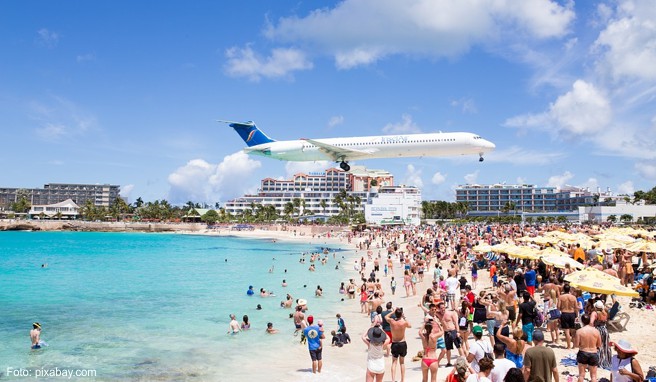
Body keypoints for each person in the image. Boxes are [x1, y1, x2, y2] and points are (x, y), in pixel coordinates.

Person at [385, 307, 412, 382]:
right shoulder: (404, 322)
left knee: (394, 362)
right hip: (402, 343)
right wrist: (404, 317)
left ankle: (393, 380)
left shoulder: (392, 321)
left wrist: (392, 312)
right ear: (401, 314)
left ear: (395, 314)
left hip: (394, 343)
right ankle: (402, 380)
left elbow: (385, 317)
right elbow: (410, 325)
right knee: (402, 363)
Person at [574, 314, 601, 382]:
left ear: (582, 321)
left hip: (583, 352)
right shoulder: (596, 331)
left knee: (581, 375)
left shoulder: (579, 331)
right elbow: (599, 344)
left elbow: (576, 345)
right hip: (593, 353)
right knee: (594, 376)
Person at [557, 284, 578, 349]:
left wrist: (562, 309)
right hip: (572, 314)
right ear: (569, 289)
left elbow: (558, 307)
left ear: (564, 289)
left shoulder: (561, 297)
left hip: (564, 313)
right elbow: (576, 307)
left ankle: (568, 346)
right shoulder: (573, 297)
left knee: (566, 331)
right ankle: (574, 346)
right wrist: (576, 315)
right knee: (573, 331)